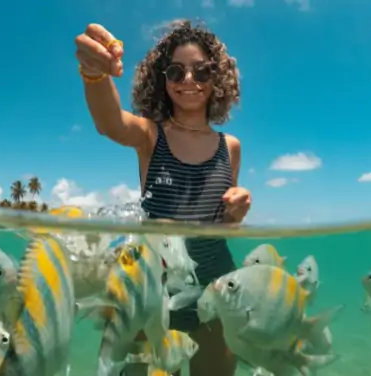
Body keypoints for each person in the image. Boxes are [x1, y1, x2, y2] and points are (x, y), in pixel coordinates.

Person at [75, 20, 251, 376]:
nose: (189, 80)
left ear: (217, 79)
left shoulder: (229, 147)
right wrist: (95, 75)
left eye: (201, 70)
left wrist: (237, 209)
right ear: (162, 79)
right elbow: (110, 123)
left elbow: (223, 223)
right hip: (151, 291)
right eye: (176, 71)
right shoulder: (150, 135)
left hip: (214, 288)